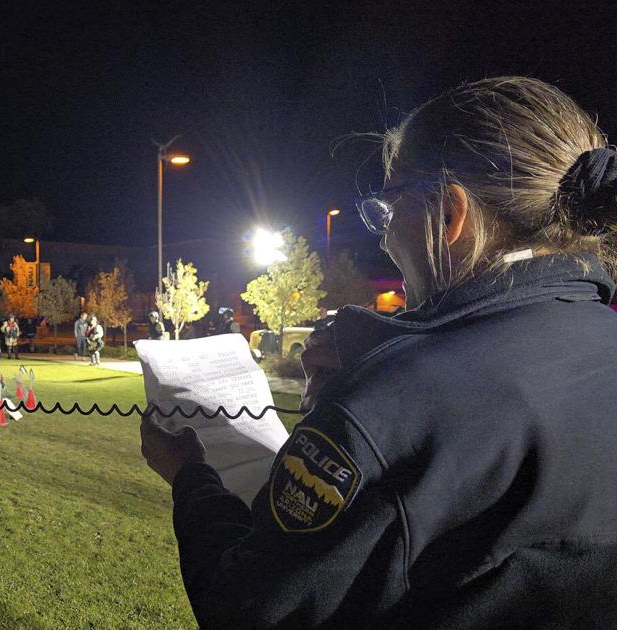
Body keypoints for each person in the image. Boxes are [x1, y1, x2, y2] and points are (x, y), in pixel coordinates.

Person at [142, 77, 617, 628]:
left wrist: (189, 477)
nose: (385, 240)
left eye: (388, 213)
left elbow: (248, 605)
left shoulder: (397, 398)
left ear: (450, 214)